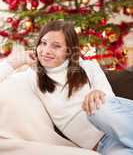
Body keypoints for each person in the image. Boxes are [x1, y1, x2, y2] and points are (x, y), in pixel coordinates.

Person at [1, 20, 133, 155]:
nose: (46, 51)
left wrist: (98, 93)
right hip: (104, 145)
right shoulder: (33, 77)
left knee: (98, 109)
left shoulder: (88, 66)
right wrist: (17, 61)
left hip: (123, 121)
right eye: (43, 43)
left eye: (56, 46)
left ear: (69, 51)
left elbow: (111, 102)